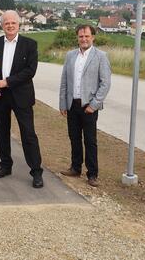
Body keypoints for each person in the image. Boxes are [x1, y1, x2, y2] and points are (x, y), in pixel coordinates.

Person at [0, 10, 44, 188]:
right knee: (2, 133)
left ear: (19, 24)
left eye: (13, 23)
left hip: (21, 96)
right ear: (2, 25)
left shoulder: (30, 44)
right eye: (6, 23)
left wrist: (6, 82)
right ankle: (5, 166)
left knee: (28, 134)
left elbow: (30, 71)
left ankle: (36, 171)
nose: (10, 26)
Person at [58, 25, 111, 187]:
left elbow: (105, 83)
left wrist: (94, 104)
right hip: (72, 104)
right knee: (74, 138)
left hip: (89, 106)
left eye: (87, 36)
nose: (84, 39)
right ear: (77, 38)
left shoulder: (101, 56)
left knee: (90, 140)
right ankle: (75, 167)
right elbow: (64, 81)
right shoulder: (70, 56)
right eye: (81, 36)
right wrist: (63, 103)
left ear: (93, 37)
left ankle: (92, 174)